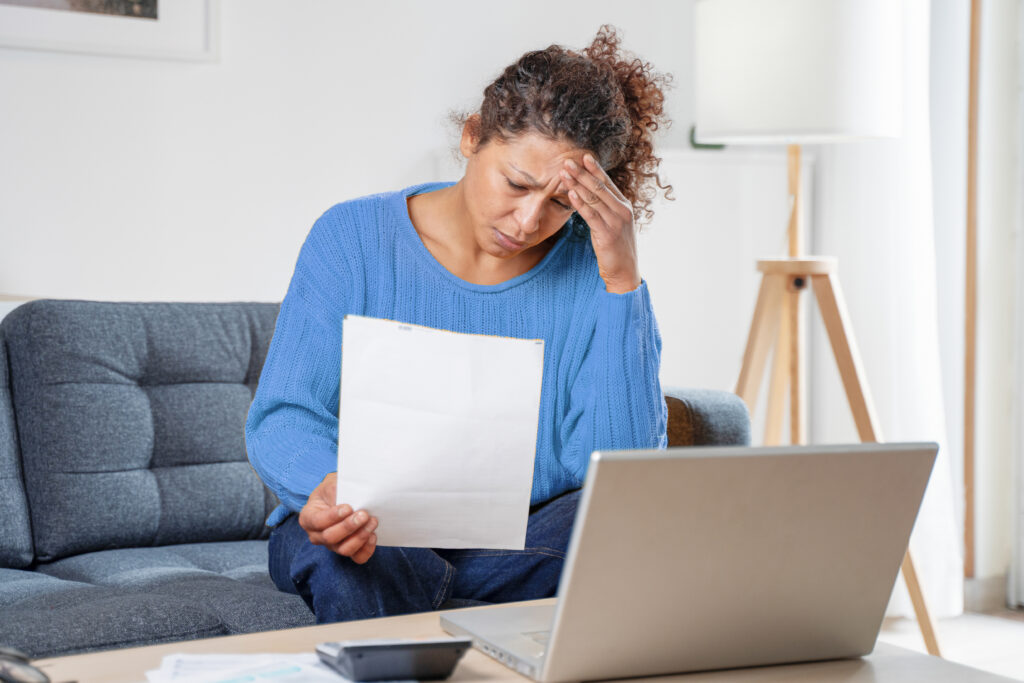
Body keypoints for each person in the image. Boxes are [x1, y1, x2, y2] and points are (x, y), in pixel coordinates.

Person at [246, 24, 674, 624]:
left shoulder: (591, 271)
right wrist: (325, 490)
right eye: (517, 184)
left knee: (625, 525)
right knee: (347, 556)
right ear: (473, 136)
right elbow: (285, 414)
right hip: (372, 529)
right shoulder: (351, 239)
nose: (527, 221)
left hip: (520, 538)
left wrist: (622, 284)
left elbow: (622, 474)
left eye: (560, 203)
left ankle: (433, 594)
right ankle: (450, 600)